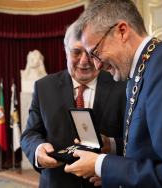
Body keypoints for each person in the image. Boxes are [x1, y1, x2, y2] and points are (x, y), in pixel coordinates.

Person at [64, 0, 162, 187]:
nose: (97, 65)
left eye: (96, 53)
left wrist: (101, 164)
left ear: (122, 31)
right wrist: (112, 145)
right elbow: (151, 146)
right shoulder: (144, 69)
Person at [20, 21, 127, 188]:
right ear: (65, 51)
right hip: (56, 182)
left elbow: (135, 142)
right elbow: (30, 133)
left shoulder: (122, 86)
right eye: (76, 52)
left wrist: (113, 164)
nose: (84, 61)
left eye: (91, 53)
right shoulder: (43, 87)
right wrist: (38, 150)